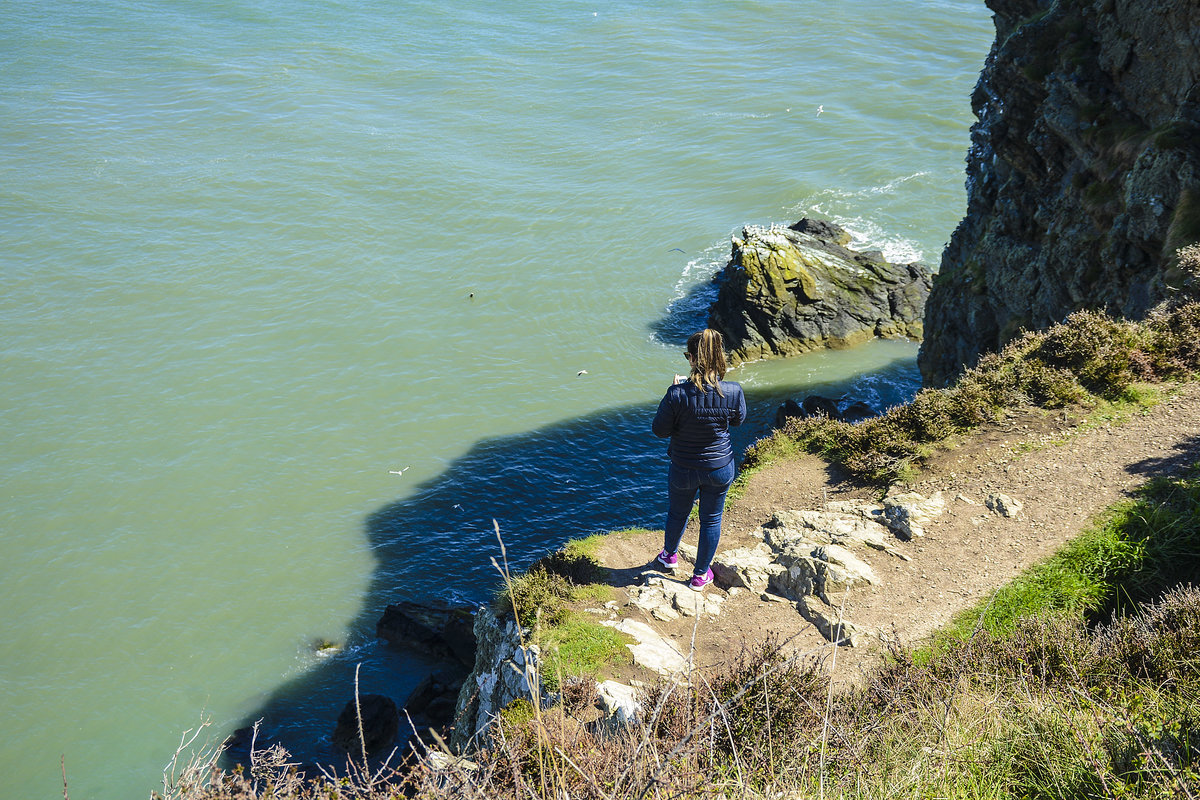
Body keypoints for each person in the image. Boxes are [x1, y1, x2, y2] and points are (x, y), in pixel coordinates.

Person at [651, 328, 747, 591]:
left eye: (687, 355)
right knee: (712, 519)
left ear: (692, 358)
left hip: (683, 467)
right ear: (719, 358)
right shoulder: (733, 391)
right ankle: (700, 575)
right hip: (719, 467)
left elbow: (659, 430)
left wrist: (674, 390)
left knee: (677, 513)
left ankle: (669, 556)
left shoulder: (677, 394)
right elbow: (738, 421)